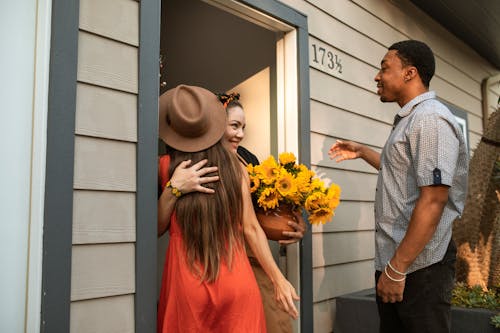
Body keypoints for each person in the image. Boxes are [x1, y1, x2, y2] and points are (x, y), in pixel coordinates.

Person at [328, 40, 468, 332]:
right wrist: (363, 152)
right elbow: (407, 177)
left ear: (410, 73)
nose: (377, 76)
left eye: (384, 68)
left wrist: (397, 269)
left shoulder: (429, 119)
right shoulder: (411, 120)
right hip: (400, 264)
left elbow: (434, 199)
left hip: (419, 268)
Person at [157, 84, 299, 333]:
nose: (240, 134)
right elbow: (251, 228)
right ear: (215, 123)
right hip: (237, 282)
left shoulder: (166, 167)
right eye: (234, 126)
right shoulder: (238, 168)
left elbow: (155, 228)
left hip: (187, 286)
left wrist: (174, 188)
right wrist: (279, 279)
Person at [220, 93, 306, 333]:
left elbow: (260, 217)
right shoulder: (204, 162)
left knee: (275, 320)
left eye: (243, 127)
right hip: (218, 260)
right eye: (234, 126)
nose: (240, 134)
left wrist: (293, 226)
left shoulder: (248, 160)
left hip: (251, 256)